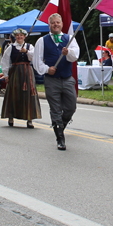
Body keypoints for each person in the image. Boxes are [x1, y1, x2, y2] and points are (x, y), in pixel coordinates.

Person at [33, 13, 79, 150]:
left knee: (71, 107)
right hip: (52, 80)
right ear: (49, 25)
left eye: (58, 22)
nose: (55, 25)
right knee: (55, 109)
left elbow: (75, 55)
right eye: (53, 23)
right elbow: (37, 61)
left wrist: (68, 53)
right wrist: (47, 70)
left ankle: (60, 126)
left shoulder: (69, 39)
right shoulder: (42, 41)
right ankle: (60, 137)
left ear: (62, 24)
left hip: (67, 78)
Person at [1, 28, 41, 128]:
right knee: (14, 93)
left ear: (24, 37)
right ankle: (11, 116)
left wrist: (26, 51)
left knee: (29, 94)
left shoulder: (29, 46)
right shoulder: (11, 47)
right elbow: (5, 61)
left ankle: (29, 119)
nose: (19, 37)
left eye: (21, 35)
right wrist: (6, 75)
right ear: (15, 37)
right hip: (15, 72)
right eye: (18, 35)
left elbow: (35, 57)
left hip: (27, 72)